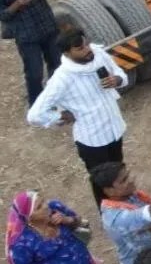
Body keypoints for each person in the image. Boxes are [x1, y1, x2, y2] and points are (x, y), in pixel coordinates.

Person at [26, 29, 128, 204]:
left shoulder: (98, 54)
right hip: (93, 141)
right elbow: (34, 114)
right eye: (80, 48)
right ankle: (110, 215)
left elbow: (120, 73)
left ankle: (126, 203)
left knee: (118, 173)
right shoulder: (62, 79)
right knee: (102, 184)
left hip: (114, 129)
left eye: (86, 44)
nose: (87, 49)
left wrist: (117, 80)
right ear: (67, 52)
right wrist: (60, 115)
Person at [0, 0, 59, 106]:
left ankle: (57, 96)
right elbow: (3, 16)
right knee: (34, 73)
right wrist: (18, 4)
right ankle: (37, 105)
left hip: (47, 25)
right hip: (26, 35)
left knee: (57, 64)